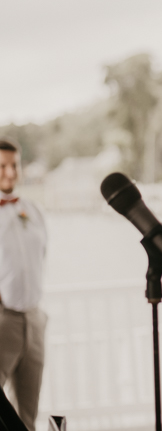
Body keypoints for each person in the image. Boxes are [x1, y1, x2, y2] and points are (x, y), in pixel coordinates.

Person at [0, 138, 47, 431]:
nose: (10, 172)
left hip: (34, 318)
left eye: (14, 165)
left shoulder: (33, 209)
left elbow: (42, 257)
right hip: (2, 319)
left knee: (27, 414)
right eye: (2, 166)